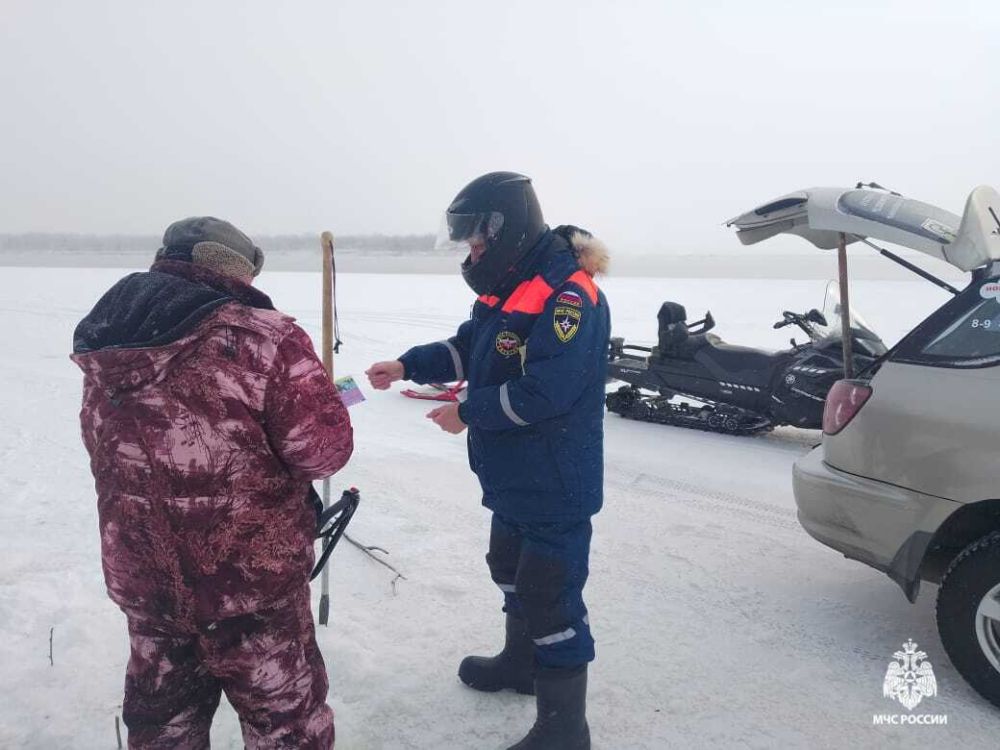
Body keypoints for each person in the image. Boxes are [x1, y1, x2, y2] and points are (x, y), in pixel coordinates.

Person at [71, 217, 352, 749]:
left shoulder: (107, 336)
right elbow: (323, 451)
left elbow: (105, 450)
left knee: (164, 730)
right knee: (286, 729)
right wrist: (327, 403)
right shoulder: (264, 337)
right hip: (250, 586)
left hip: (147, 581)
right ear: (232, 268)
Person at [367, 172, 610, 750]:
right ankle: (519, 665)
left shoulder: (566, 295)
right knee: (509, 570)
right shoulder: (509, 285)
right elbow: (468, 349)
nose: (472, 252)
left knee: (550, 594)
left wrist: (469, 413)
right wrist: (407, 365)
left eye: (476, 240)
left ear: (505, 229)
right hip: (513, 478)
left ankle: (565, 730)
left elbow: (547, 391)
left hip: (555, 479)